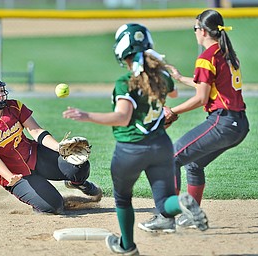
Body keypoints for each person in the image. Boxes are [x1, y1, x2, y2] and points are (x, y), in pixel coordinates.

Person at [63, 23, 208, 255]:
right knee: (164, 203)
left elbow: (122, 117)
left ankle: (127, 246)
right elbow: (174, 93)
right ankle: (182, 203)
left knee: (122, 198)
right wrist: (159, 67)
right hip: (161, 146)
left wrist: (86, 115)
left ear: (121, 51)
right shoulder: (160, 77)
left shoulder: (125, 82)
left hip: (130, 150)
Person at [0, 74, 102, 214]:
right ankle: (40, 199)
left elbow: (36, 131)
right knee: (54, 207)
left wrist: (59, 148)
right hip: (17, 176)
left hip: (36, 157)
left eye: (1, 91)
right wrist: (9, 177)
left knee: (79, 164)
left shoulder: (14, 106)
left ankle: (76, 182)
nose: (0, 96)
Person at [165, 9, 249, 227]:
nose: (194, 32)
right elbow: (210, 86)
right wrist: (180, 78)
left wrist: (173, 111)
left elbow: (202, 98)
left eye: (195, 28)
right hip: (239, 124)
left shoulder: (206, 58)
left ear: (202, 31)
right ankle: (193, 216)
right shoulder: (226, 54)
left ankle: (166, 217)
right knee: (193, 164)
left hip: (222, 122)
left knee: (172, 157)